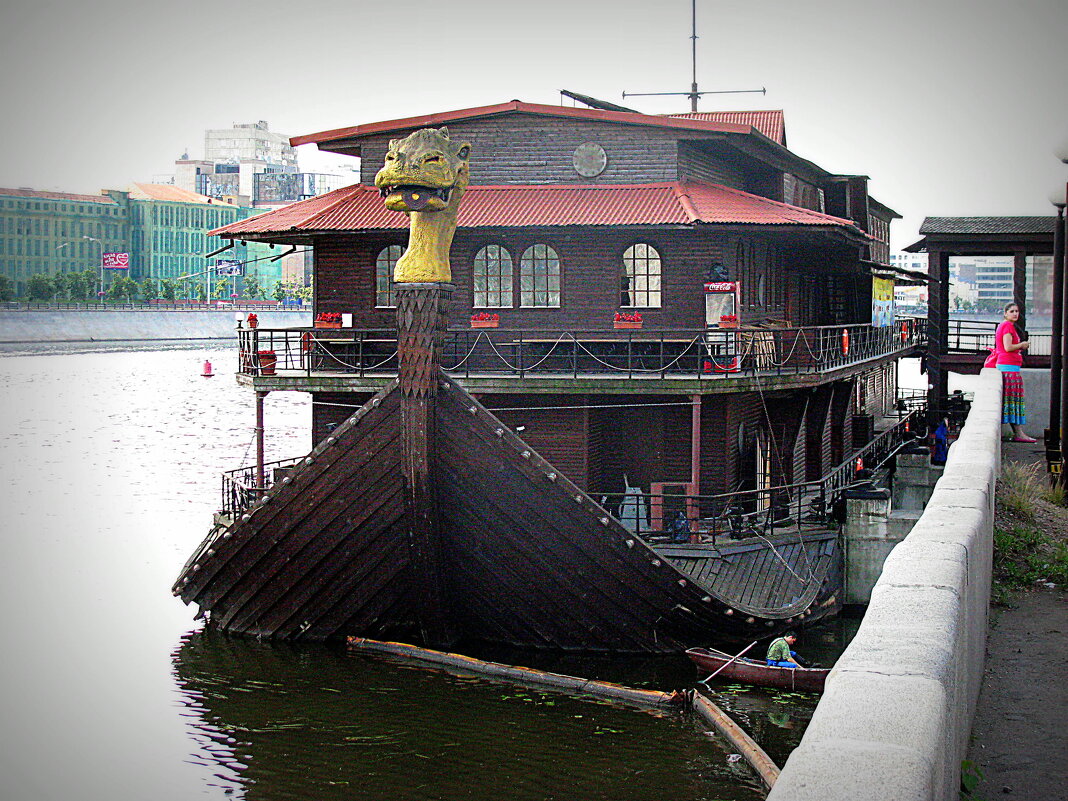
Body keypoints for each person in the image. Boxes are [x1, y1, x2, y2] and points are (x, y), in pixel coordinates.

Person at [994, 302, 1035, 443]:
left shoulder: (1005, 326)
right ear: (1005, 313)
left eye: (1017, 311)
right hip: (1008, 369)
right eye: (1012, 311)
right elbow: (1008, 347)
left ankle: (1018, 433)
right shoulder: (1007, 326)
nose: (1015, 314)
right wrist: (1022, 345)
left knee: (1011, 402)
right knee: (1012, 402)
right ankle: (1019, 433)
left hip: (1009, 368)